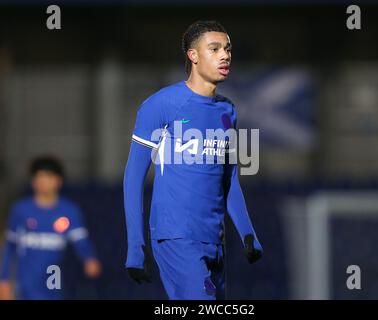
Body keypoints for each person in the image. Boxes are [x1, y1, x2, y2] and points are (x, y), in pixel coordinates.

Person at [124, 20, 262, 300]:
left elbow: (229, 178)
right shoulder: (161, 105)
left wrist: (248, 233)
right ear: (193, 55)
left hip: (215, 239)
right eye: (214, 49)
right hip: (176, 236)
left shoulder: (228, 110)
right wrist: (135, 247)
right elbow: (133, 179)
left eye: (227, 48)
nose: (225, 55)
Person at [0, 156, 101, 300]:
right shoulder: (21, 210)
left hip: (53, 282)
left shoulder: (69, 211)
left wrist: (89, 259)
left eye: (48, 177)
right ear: (33, 181)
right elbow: (9, 247)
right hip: (24, 284)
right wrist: (3, 281)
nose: (43, 182)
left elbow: (81, 241)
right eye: (39, 177)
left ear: (58, 181)